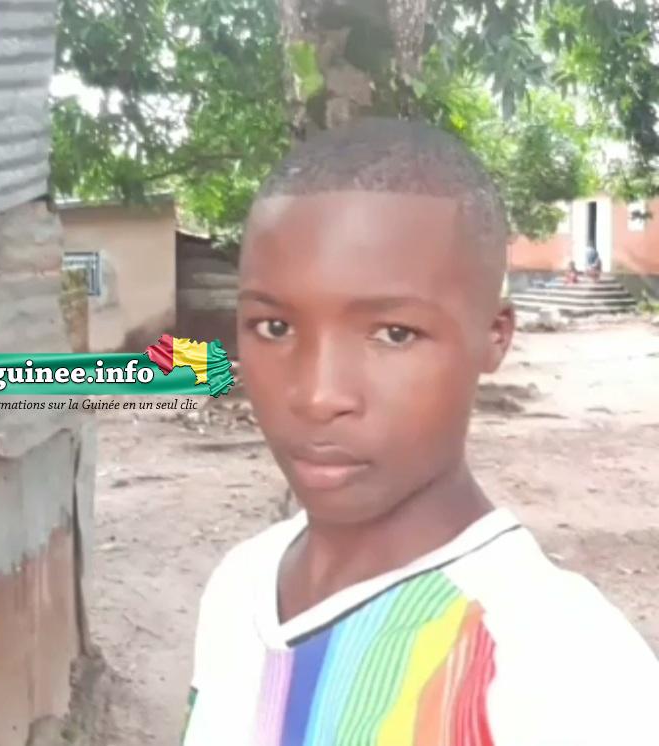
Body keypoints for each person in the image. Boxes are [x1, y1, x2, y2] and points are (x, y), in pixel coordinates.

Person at [181, 118, 659, 746]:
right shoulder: (240, 584)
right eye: (275, 328)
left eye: (394, 334)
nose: (319, 396)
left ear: (494, 337)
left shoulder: (561, 672)